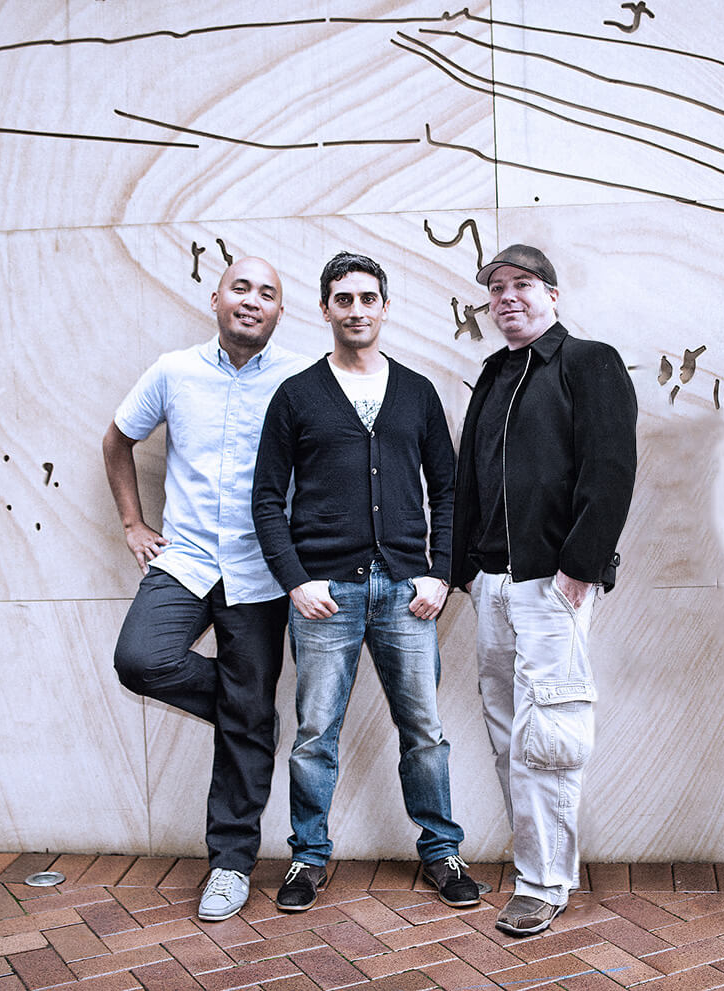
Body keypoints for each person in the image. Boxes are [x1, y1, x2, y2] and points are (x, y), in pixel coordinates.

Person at [252, 251, 479, 912]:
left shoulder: (416, 392)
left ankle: (441, 851)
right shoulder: (297, 395)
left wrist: (440, 574)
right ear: (325, 308)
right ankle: (307, 857)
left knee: (424, 730)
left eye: (367, 298)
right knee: (314, 734)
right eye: (343, 299)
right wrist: (296, 581)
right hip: (326, 595)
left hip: (407, 594)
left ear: (384, 306)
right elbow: (266, 499)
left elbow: (448, 490)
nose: (356, 310)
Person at [103, 257, 309, 923]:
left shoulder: (301, 378)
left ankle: (230, 864)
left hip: (261, 569)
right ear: (215, 297)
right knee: (141, 659)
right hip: (186, 559)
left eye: (266, 293)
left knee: (246, 718)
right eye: (240, 287)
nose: (251, 300)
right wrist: (133, 523)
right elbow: (117, 440)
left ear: (280, 311)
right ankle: (249, 711)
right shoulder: (173, 371)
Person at [450, 244, 637, 937]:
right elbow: (470, 479)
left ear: (551, 295)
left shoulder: (588, 362)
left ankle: (543, 883)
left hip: (551, 584)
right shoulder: (493, 373)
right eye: (496, 287)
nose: (507, 297)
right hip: (492, 584)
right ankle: (538, 862)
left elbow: (610, 468)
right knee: (507, 735)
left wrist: (579, 568)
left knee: (548, 735)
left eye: (522, 284)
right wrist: (465, 570)